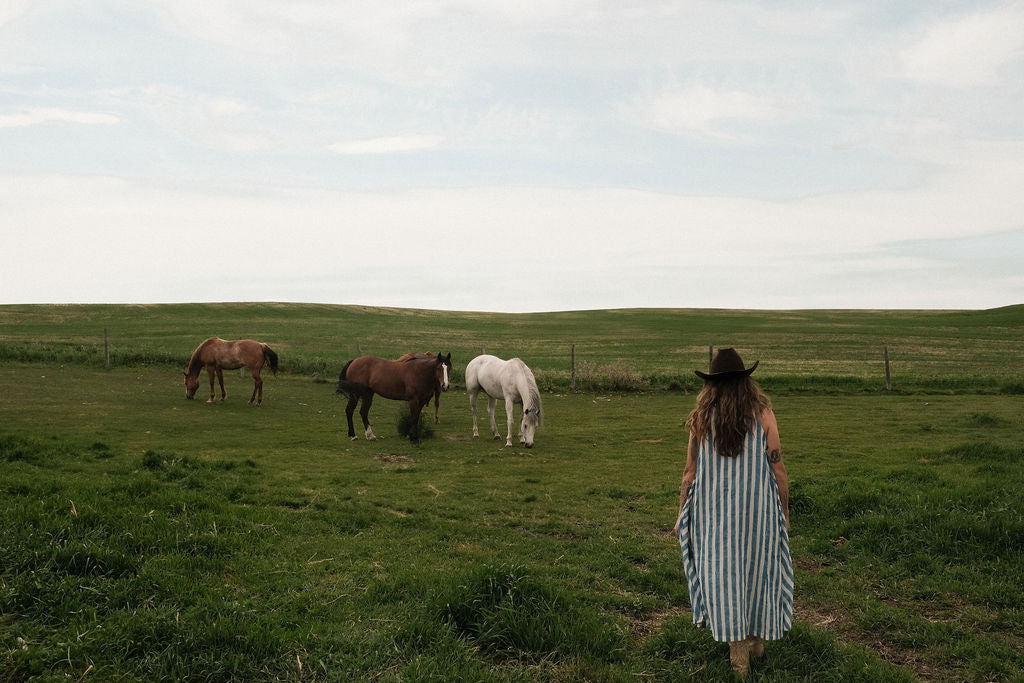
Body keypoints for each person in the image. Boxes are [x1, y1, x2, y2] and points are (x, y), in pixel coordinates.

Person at [672, 348, 793, 678]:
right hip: (759, 514)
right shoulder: (763, 414)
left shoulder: (701, 420)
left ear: (712, 385)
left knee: (724, 575)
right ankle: (757, 644)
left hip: (715, 517)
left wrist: (682, 511)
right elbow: (777, 468)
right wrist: (783, 510)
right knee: (759, 568)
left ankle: (738, 656)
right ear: (746, 382)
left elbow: (689, 472)